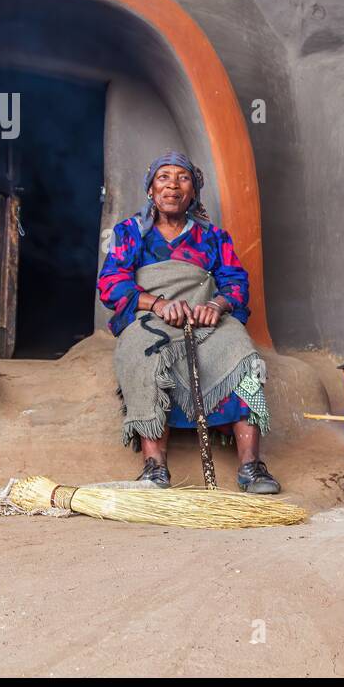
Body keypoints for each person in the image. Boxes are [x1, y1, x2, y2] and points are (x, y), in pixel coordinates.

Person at [97, 151, 280, 493]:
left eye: (182, 178)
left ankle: (251, 467)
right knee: (143, 354)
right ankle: (154, 467)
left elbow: (236, 281)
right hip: (151, 319)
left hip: (204, 320)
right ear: (151, 189)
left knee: (242, 352)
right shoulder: (131, 232)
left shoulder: (214, 237)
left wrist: (217, 303)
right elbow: (111, 283)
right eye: (163, 177)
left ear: (193, 192)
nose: (172, 185)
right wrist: (157, 303)